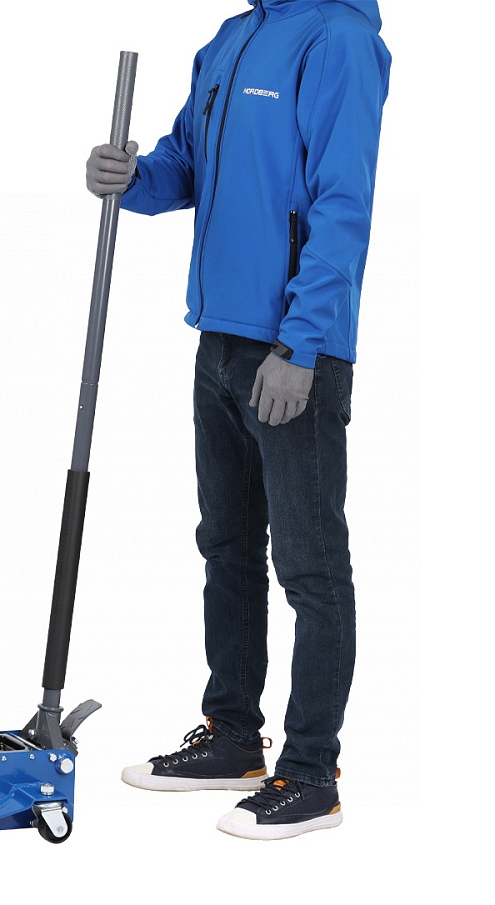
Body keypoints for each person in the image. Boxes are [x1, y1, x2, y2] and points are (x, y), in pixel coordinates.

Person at [87, 0, 391, 839]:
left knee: (310, 567)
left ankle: (311, 774)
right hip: (218, 336)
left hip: (292, 349)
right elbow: (185, 163)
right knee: (226, 546)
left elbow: (344, 200)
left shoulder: (339, 39)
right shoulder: (230, 38)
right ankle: (232, 737)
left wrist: (302, 344)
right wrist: (132, 178)